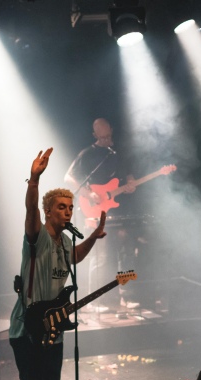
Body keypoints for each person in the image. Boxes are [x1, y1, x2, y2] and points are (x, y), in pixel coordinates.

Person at [9, 147, 107, 380]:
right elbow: (30, 208)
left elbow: (74, 257)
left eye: (70, 208)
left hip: (55, 327)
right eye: (61, 208)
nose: (68, 212)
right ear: (48, 211)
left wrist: (93, 237)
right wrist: (34, 179)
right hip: (27, 326)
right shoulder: (36, 236)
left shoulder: (66, 241)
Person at [64, 118, 139, 310]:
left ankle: (126, 295)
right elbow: (69, 177)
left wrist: (130, 183)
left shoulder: (118, 153)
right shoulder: (87, 154)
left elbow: (128, 174)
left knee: (126, 251)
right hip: (97, 211)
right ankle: (95, 300)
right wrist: (89, 194)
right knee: (100, 255)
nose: (107, 140)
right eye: (103, 137)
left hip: (120, 208)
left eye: (109, 136)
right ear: (95, 135)